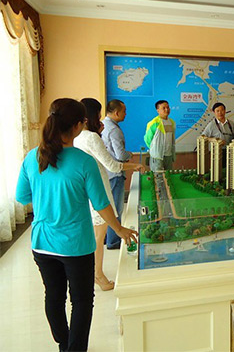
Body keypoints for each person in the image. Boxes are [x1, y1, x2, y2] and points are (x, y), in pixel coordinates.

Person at [15, 98, 137, 351]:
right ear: (78, 125)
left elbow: (22, 197)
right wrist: (119, 229)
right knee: (81, 301)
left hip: (42, 243)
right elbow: (101, 204)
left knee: (54, 296)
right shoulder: (83, 161)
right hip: (75, 246)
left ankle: (64, 344)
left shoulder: (32, 157)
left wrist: (48, 196)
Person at [75, 98, 143, 290]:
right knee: (99, 236)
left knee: (95, 235)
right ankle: (98, 275)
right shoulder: (91, 137)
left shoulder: (77, 136)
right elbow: (112, 165)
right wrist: (134, 165)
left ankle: (93, 272)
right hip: (98, 188)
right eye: (98, 115)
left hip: (86, 189)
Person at [102, 99, 133, 250]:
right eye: (124, 111)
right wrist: (129, 154)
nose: (126, 114)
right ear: (116, 113)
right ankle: (113, 241)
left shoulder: (103, 125)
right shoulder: (114, 130)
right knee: (116, 209)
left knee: (108, 207)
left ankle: (107, 237)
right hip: (115, 173)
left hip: (106, 173)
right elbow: (120, 155)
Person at [144, 100, 176, 171]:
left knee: (169, 174)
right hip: (157, 156)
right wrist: (154, 148)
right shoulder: (154, 123)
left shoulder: (172, 122)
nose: (166, 109)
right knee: (157, 175)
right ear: (158, 110)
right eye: (163, 108)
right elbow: (147, 139)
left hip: (168, 154)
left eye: (168, 107)